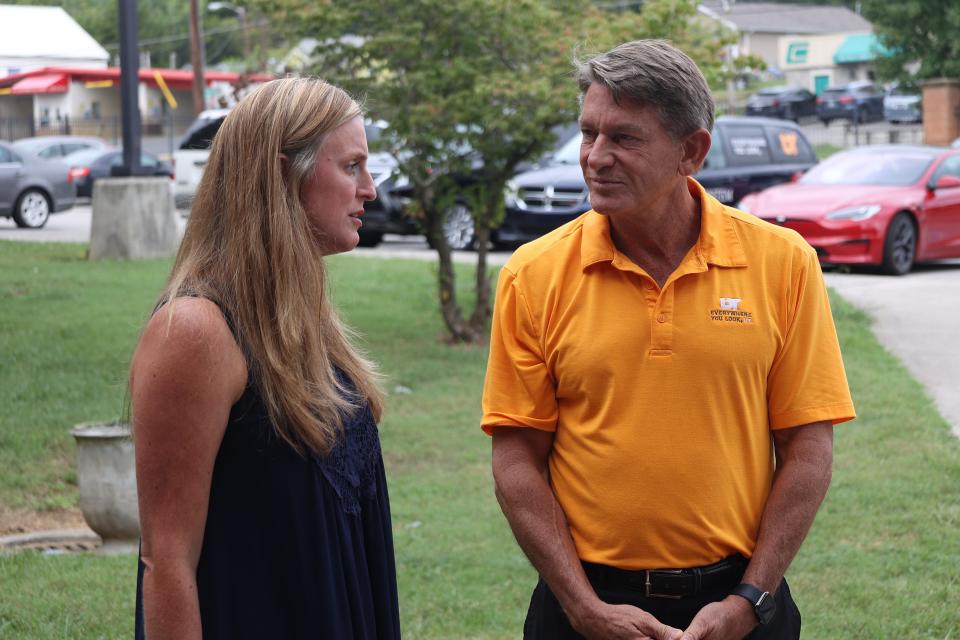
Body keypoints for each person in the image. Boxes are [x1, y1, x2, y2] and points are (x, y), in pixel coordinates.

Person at [482, 40, 855, 640]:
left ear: (692, 150)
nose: (595, 157)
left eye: (624, 138)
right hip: (585, 605)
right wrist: (582, 607)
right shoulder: (533, 274)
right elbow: (516, 457)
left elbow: (808, 447)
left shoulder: (783, 263)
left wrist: (750, 599)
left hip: (740, 599)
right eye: (588, 133)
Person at [131, 77, 400, 640]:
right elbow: (166, 562)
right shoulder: (195, 332)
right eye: (351, 167)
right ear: (284, 173)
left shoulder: (302, 319)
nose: (370, 189)